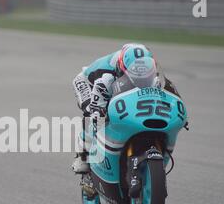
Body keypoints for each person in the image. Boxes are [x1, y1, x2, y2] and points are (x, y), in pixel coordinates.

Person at [71, 43, 180, 173]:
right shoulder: (107, 76)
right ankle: (84, 155)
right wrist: (99, 113)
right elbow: (98, 106)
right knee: (94, 114)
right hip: (87, 83)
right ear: (122, 68)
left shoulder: (150, 69)